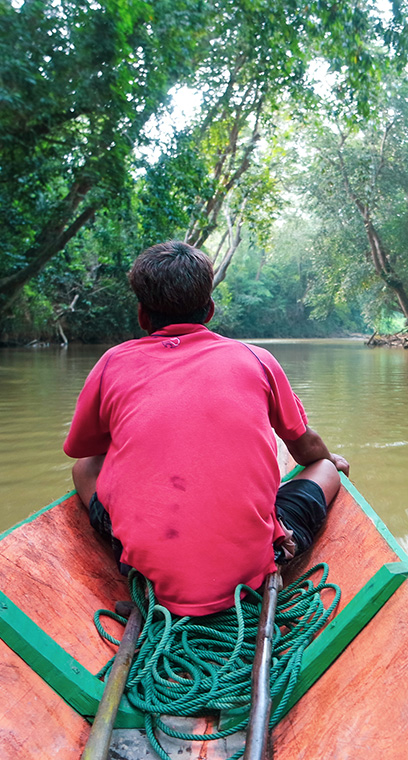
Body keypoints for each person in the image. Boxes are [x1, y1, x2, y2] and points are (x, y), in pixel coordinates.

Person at [63, 241, 349, 617]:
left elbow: (84, 450)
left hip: (147, 572)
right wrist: (330, 460)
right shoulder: (256, 359)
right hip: (251, 571)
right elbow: (304, 447)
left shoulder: (112, 362)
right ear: (210, 310)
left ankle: (133, 550)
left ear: (141, 315)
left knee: (84, 468)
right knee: (327, 468)